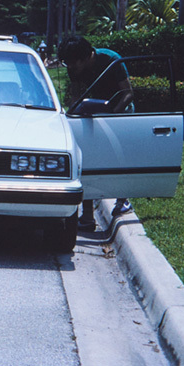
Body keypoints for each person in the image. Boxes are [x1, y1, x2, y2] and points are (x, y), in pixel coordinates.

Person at [58, 35, 134, 232]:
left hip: (120, 111)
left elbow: (127, 93)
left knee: (119, 158)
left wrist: (113, 116)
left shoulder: (111, 60)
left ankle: (122, 200)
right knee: (89, 161)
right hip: (96, 110)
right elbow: (76, 94)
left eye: (72, 63)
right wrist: (72, 116)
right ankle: (88, 216)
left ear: (84, 58)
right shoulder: (74, 68)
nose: (70, 68)